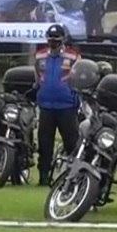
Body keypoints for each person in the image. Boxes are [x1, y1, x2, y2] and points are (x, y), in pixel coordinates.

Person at [32, 23, 82, 185]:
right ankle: (44, 176)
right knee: (44, 144)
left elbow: (80, 78)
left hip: (67, 106)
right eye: (50, 39)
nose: (52, 42)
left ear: (63, 40)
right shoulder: (39, 56)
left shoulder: (74, 56)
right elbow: (37, 79)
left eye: (56, 39)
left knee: (71, 143)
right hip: (46, 106)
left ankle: (73, 175)